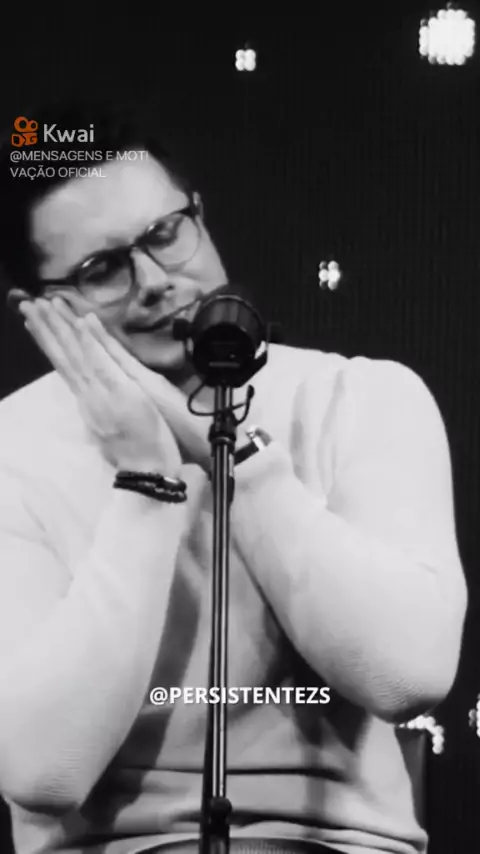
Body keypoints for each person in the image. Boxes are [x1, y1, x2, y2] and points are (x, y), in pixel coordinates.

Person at [0, 99, 467, 854]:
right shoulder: (11, 448)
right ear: (40, 310)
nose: (155, 280)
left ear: (200, 217)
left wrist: (227, 451)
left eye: (164, 234)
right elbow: (42, 771)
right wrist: (146, 479)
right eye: (101, 270)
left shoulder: (362, 395)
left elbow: (407, 677)